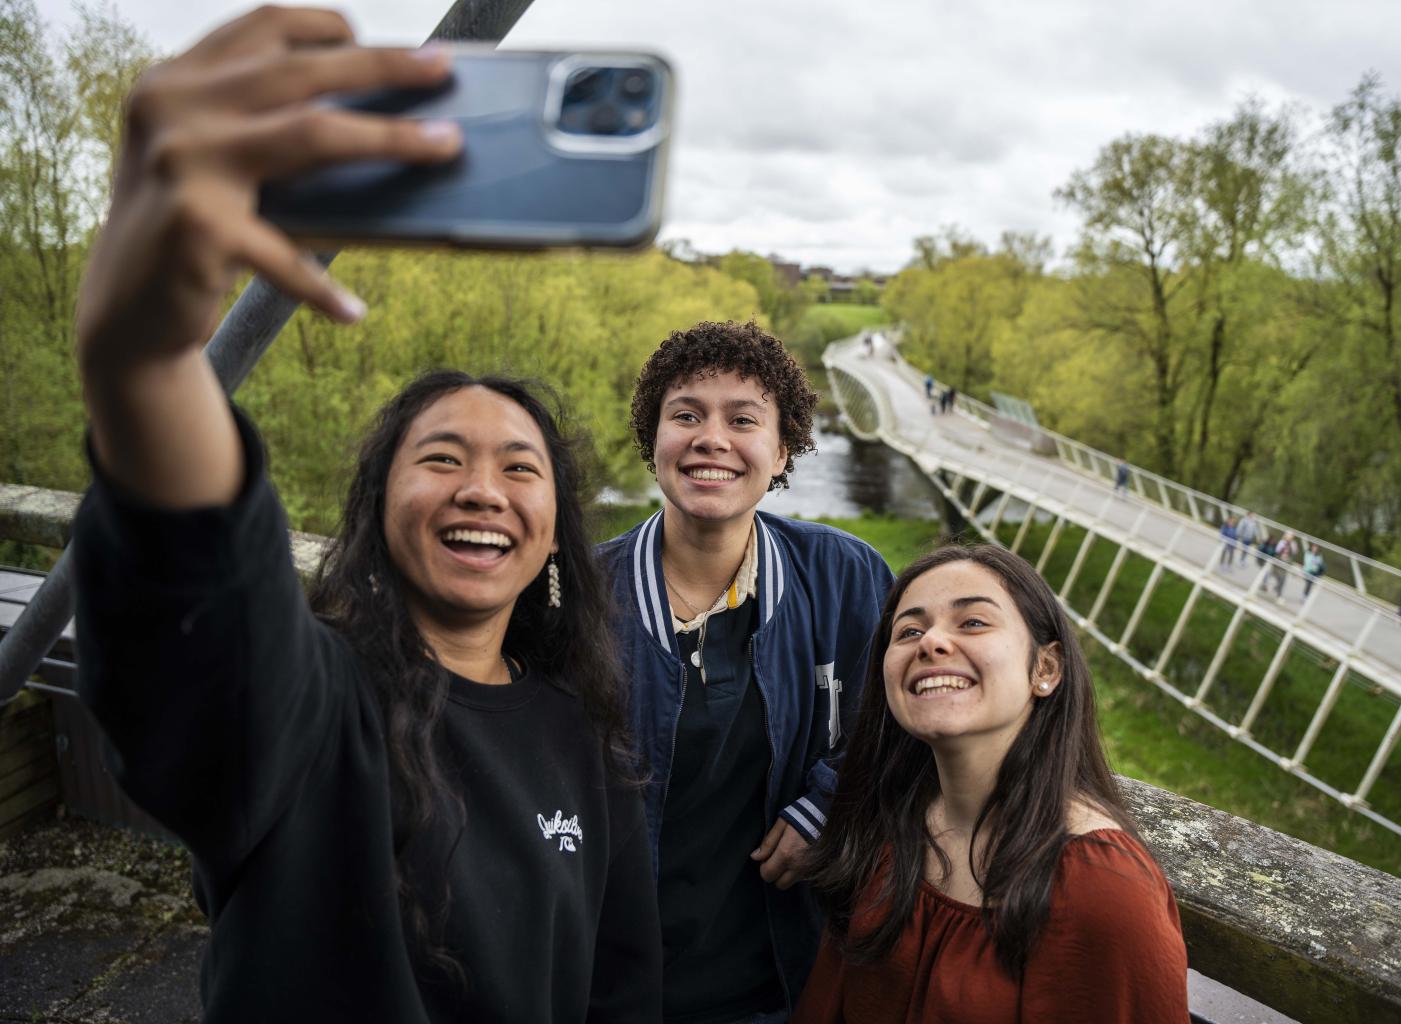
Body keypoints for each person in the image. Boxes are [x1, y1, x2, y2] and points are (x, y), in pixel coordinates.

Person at [69, 11, 659, 1020]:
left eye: (522, 468)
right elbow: (198, 609)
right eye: (441, 457)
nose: (482, 487)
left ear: (556, 531)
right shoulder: (310, 701)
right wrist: (148, 367)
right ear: (378, 506)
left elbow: (620, 991)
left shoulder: (583, 742)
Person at [600, 322, 895, 1020]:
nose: (712, 438)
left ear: (782, 447)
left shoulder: (845, 577)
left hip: (785, 984)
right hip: (610, 986)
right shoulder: (583, 597)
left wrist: (827, 803)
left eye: (743, 419)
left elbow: (902, 725)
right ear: (654, 441)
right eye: (686, 415)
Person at [792, 546, 1188, 1022]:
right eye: (909, 631)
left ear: (1046, 669)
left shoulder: (1103, 892)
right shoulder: (885, 825)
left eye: (973, 623)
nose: (931, 642)